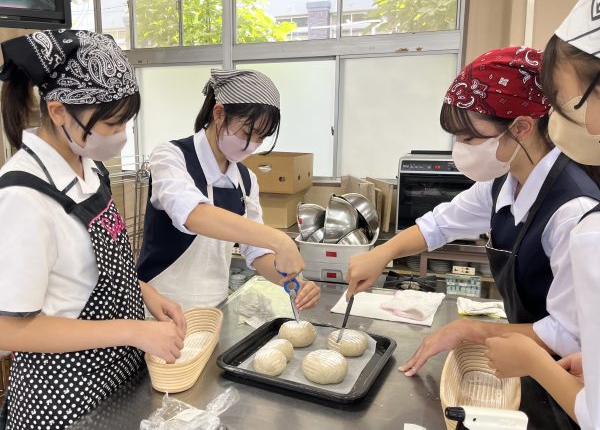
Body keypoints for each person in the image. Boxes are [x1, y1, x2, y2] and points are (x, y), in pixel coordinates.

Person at [345, 46, 600, 376]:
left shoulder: (573, 213)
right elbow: (439, 225)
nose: (460, 149)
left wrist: (472, 330)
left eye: (469, 138)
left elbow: (570, 335)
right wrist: (383, 253)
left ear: (521, 127)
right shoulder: (504, 181)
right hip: (521, 358)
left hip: (565, 373)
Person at [0, 30, 186, 430]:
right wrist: (134, 331)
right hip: (62, 401)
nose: (121, 136)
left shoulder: (91, 168)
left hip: (118, 379)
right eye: (111, 123)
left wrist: (147, 295)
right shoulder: (22, 196)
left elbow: (86, 275)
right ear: (58, 111)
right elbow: (7, 330)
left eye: (126, 122)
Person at [486, 0, 600, 429]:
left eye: (566, 99)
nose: (588, 123)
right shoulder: (505, 183)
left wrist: (535, 361)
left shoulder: (583, 221)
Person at [137, 69, 320, 311]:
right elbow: (194, 215)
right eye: (248, 132)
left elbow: (257, 253)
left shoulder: (246, 180)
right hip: (159, 311)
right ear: (219, 113)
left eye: (261, 137)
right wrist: (279, 240)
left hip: (214, 311)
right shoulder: (171, 156)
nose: (253, 144)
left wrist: (293, 281)